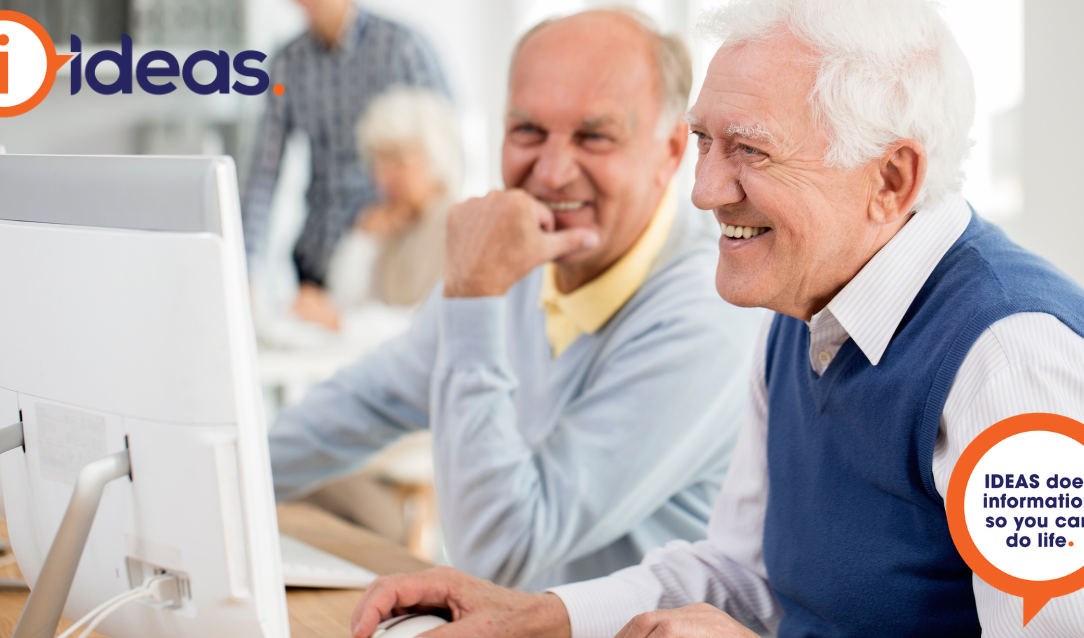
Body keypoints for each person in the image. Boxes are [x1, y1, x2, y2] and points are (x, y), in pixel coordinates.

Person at [346, 0, 1084, 636]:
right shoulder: (804, 308)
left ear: (891, 178)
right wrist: (538, 615)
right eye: (702, 141)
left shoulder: (1015, 367)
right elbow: (748, 573)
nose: (702, 191)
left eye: (751, 152)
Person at [267, 9, 765, 591]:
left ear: (671, 152)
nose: (551, 174)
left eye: (595, 136)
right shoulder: (521, 256)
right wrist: (206, 478)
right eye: (527, 131)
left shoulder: (712, 306)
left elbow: (502, 550)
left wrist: (475, 296)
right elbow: (366, 402)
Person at [241, 0, 449, 330]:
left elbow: (447, 140)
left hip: (394, 252)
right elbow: (263, 176)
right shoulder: (287, 63)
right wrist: (245, 269)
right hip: (320, 256)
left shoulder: (403, 48)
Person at [327, 86, 461, 313]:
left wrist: (344, 324)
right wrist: (363, 238)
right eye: (377, 163)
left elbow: (424, 324)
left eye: (397, 160)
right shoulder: (392, 224)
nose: (383, 177)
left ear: (435, 155)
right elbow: (344, 300)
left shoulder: (455, 224)